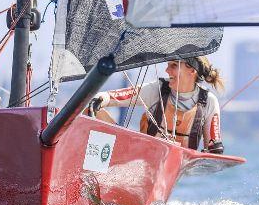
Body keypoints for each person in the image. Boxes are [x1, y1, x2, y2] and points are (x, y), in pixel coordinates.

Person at [89, 56, 225, 153]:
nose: (166, 70)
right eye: (168, 65)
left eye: (173, 65)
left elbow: (214, 145)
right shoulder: (157, 89)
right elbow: (123, 95)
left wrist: (215, 147)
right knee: (89, 107)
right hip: (138, 156)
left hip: (177, 167)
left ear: (192, 71)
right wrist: (102, 98)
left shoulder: (208, 101)